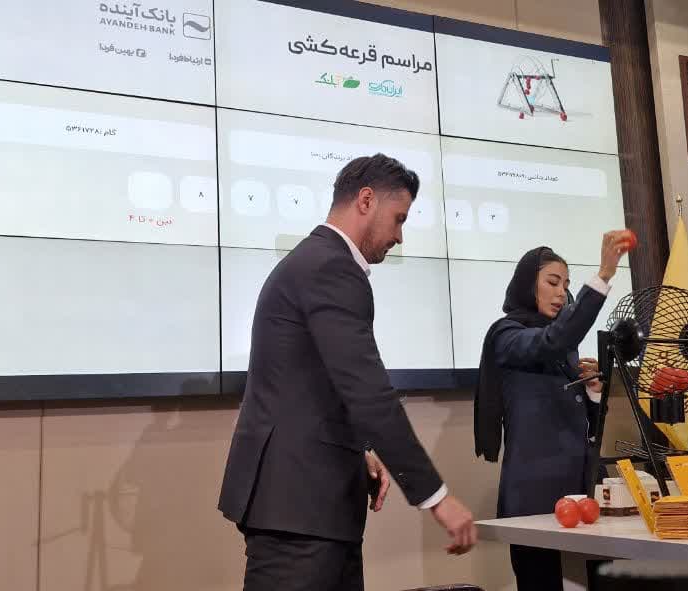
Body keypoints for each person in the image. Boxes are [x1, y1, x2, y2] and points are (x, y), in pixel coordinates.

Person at [219, 154, 477, 591]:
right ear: (366, 200)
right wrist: (437, 497)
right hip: (299, 507)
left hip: (309, 505)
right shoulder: (331, 266)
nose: (399, 236)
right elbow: (367, 390)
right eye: (399, 219)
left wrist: (356, 451)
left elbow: (311, 385)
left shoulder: (315, 261)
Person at [474, 233, 633, 591]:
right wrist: (604, 275)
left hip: (583, 487)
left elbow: (582, 425)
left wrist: (593, 394)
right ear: (527, 284)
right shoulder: (507, 334)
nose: (562, 292)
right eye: (552, 282)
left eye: (567, 285)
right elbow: (552, 341)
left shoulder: (565, 347)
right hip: (534, 494)